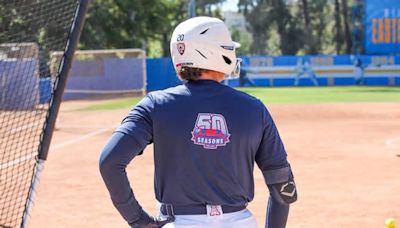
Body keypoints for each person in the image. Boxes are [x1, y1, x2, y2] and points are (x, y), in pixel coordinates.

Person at [99, 16, 297, 228]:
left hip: (179, 223)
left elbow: (109, 162)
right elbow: (283, 187)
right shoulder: (254, 109)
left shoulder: (155, 105)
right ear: (215, 52)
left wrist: (139, 220)